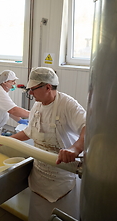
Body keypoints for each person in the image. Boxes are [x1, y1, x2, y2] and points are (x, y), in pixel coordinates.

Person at [10, 67, 86, 221]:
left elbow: (89, 126)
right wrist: (7, 140)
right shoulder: (37, 105)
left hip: (62, 177)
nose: (30, 93)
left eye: (33, 89)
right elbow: (28, 132)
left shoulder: (67, 104)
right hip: (40, 175)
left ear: (48, 87)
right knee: (39, 215)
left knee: (61, 216)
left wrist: (74, 148)